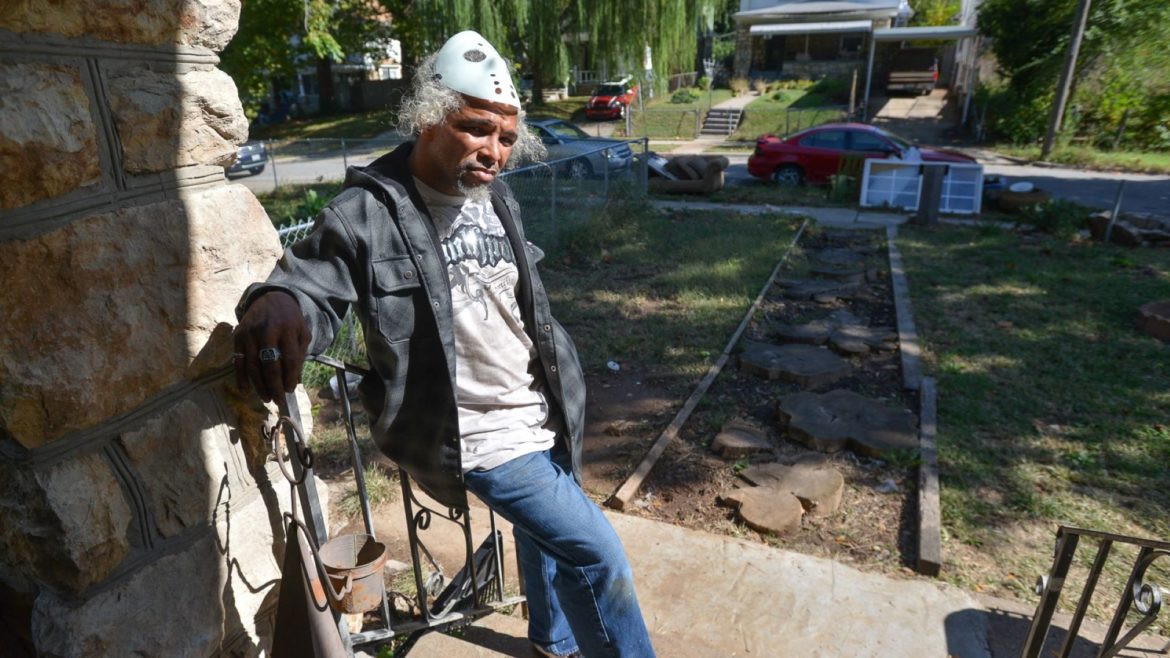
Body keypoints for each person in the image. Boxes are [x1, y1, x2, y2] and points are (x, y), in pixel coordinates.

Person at [232, 30, 656, 658]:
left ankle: (554, 641)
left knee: (548, 538)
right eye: (477, 129)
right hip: (478, 433)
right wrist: (279, 302)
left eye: (506, 139)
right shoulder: (364, 214)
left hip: (544, 402)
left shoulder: (496, 195)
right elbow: (313, 287)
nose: (493, 151)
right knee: (598, 555)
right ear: (429, 118)